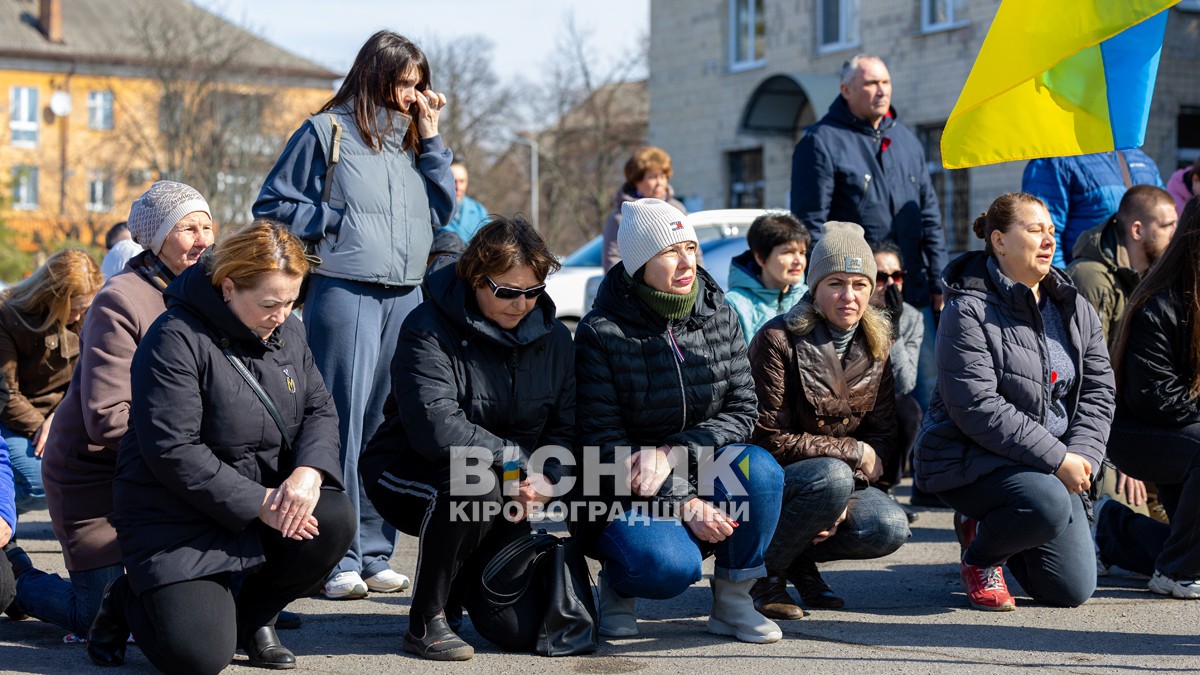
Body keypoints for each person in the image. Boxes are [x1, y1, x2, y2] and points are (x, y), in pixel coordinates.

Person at [87, 221, 355, 673]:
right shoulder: (174, 337)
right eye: (270, 304)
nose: (283, 315)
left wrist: (308, 473)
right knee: (199, 659)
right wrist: (260, 502)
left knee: (332, 516)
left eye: (292, 302)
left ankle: (254, 618)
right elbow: (174, 450)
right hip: (176, 517)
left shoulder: (288, 331)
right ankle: (129, 598)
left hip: (259, 502)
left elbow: (320, 412)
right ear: (228, 288)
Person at [253, 29, 456, 600]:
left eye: (420, 85)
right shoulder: (326, 131)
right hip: (345, 291)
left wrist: (433, 138)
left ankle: (374, 552)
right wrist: (334, 217)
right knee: (336, 422)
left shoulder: (414, 141)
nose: (411, 96)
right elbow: (271, 206)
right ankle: (332, 556)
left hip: (405, 295)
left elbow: (443, 209)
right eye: (403, 83)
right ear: (374, 75)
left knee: (386, 425)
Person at [4, 182, 213, 638]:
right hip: (94, 477)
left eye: (207, 226)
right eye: (188, 228)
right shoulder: (121, 299)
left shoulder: (209, 295)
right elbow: (105, 415)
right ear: (156, 237)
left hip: (158, 469)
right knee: (94, 616)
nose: (203, 239)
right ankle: (17, 580)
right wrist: (189, 448)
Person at [360, 216, 575, 661]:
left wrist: (548, 479)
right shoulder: (427, 326)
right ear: (476, 278)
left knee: (519, 631)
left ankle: (460, 583)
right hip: (407, 469)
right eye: (507, 292)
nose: (521, 305)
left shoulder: (555, 338)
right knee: (476, 484)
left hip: (511, 482)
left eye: (533, 292)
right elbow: (436, 427)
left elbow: (567, 427)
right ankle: (426, 621)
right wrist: (517, 465)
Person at [574, 198, 784, 644]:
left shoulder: (718, 311)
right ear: (638, 264)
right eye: (670, 251)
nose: (686, 260)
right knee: (668, 568)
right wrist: (684, 502)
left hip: (699, 465)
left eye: (690, 246)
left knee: (760, 470)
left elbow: (744, 411)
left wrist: (674, 453)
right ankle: (617, 584)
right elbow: (602, 442)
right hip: (625, 488)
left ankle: (733, 601)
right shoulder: (600, 332)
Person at [913, 192, 1114, 611]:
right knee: (1046, 502)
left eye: (1051, 231)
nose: (1048, 240)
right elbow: (977, 406)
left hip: (1050, 463)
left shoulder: (1074, 306)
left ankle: (1008, 529)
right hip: (971, 458)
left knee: (1070, 590)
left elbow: (1099, 391)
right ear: (1000, 241)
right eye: (1034, 229)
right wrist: (1058, 459)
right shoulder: (966, 310)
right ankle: (980, 555)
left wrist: (1084, 456)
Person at [746, 222, 910, 620]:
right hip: (777, 482)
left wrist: (843, 495)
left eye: (860, 284)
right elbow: (765, 437)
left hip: (838, 480)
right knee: (832, 478)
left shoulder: (878, 344)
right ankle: (754, 576)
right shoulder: (778, 339)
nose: (848, 296)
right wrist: (851, 455)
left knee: (888, 525)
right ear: (814, 286)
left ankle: (797, 560)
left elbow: (884, 434)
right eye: (835, 282)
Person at [789, 53, 946, 416]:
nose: (881, 91)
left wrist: (938, 279)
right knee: (865, 400)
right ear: (845, 90)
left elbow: (929, 215)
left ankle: (932, 472)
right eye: (871, 84)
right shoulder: (821, 142)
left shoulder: (906, 140)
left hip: (912, 291)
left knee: (930, 392)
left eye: (886, 82)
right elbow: (811, 225)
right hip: (856, 297)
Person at [1106, 195, 1200, 599]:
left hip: (1187, 430)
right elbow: (1154, 398)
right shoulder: (1157, 304)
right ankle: (1176, 572)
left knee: (1187, 537)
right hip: (1139, 433)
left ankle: (1112, 531)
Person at [0, 249, 102, 518]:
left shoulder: (89, 314)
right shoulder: (7, 315)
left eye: (84, 309)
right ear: (51, 295)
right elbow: (6, 393)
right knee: (39, 484)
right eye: (74, 309)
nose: (78, 317)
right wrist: (41, 427)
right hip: (17, 420)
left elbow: (92, 375)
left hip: (65, 415)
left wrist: (59, 417)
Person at [1067, 185, 1178, 346]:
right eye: (1168, 225)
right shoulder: (1091, 278)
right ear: (1137, 231)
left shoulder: (1152, 275)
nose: (1175, 234)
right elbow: (1088, 364)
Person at [1022, 148, 1164, 267]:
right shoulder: (1055, 161)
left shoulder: (1142, 160)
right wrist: (1062, 291)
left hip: (1142, 285)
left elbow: (1165, 220)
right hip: (1087, 288)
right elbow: (1044, 236)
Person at [869, 239, 924, 493]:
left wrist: (894, 329)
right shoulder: (851, 310)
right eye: (881, 277)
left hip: (883, 398)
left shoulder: (911, 317)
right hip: (846, 397)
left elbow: (905, 383)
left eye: (897, 276)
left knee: (908, 410)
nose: (890, 285)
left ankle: (885, 486)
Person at [724, 212, 811, 341]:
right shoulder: (732, 304)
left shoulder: (810, 298)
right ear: (760, 257)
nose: (798, 261)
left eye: (802, 252)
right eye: (788, 252)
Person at [601, 146, 688, 273]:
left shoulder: (677, 210)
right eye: (652, 177)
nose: (660, 182)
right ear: (636, 180)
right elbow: (612, 261)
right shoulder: (621, 218)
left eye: (663, 176)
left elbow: (694, 254)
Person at [442, 161, 489, 244]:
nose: (458, 187)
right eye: (453, 181)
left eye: (462, 181)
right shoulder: (434, 210)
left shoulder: (479, 211)